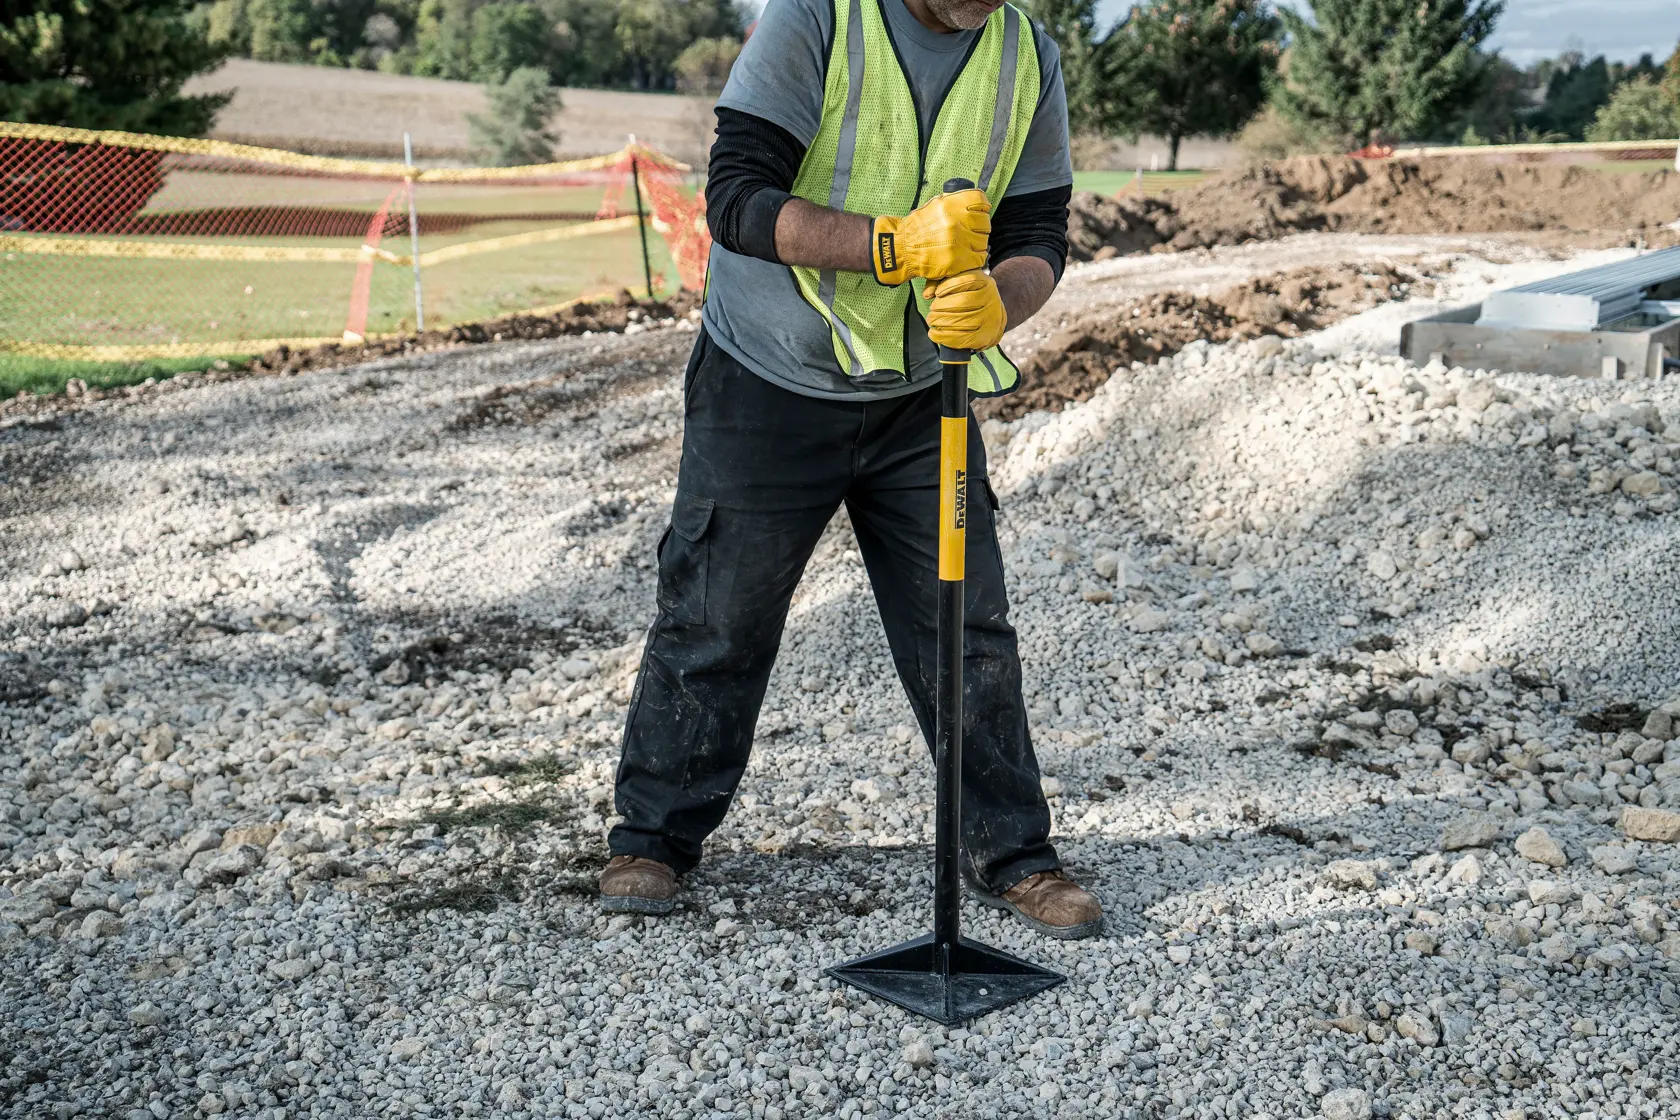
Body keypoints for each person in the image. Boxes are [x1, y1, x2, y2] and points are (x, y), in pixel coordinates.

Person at [598, 0, 1103, 940]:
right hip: (769, 381)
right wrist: (890, 246)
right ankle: (653, 840)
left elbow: (1040, 231)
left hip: (922, 395)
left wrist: (1000, 301)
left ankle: (1016, 857)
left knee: (965, 622)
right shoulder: (817, 18)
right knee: (717, 616)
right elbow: (737, 200)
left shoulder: (1027, 54)